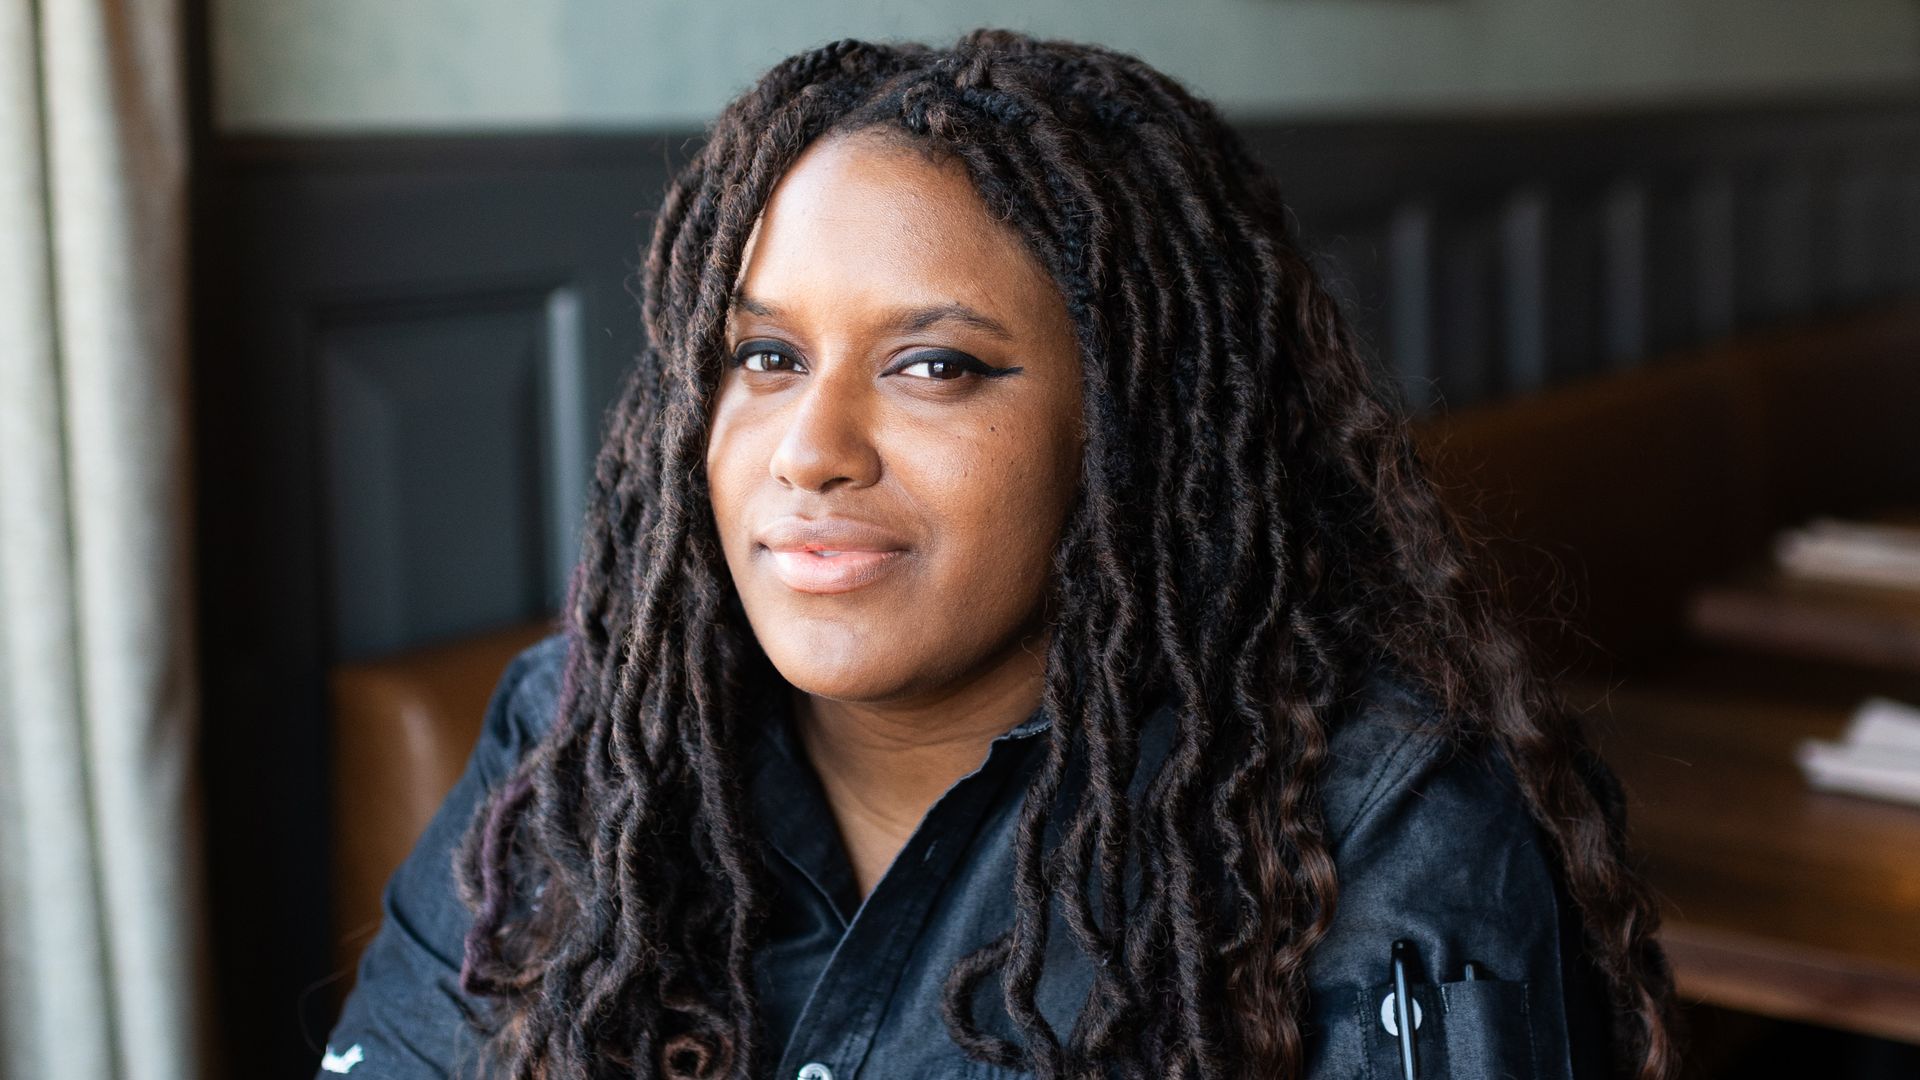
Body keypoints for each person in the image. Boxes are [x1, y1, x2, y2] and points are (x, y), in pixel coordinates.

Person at [319, 29, 1679, 1080]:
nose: (812, 448)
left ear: (1130, 433)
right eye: (766, 356)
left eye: (934, 364)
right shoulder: (580, 729)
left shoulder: (1378, 824)